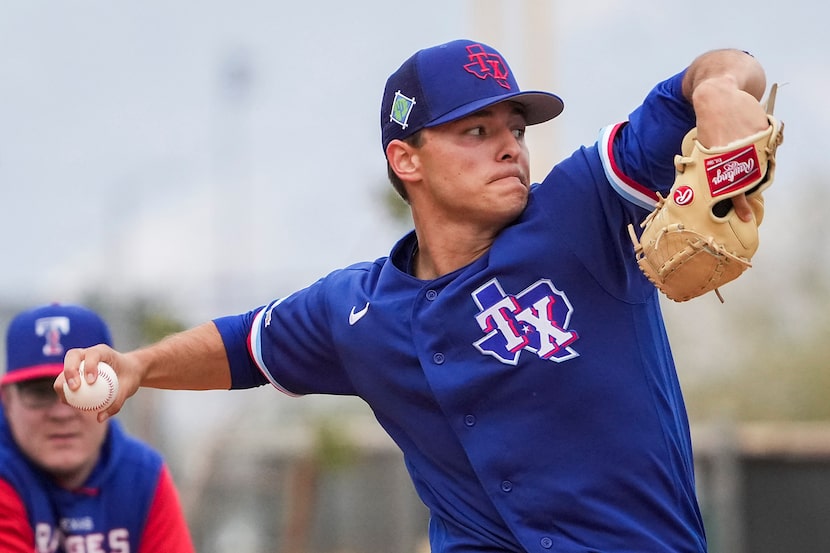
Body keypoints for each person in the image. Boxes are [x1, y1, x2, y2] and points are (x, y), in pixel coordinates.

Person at [58, 39, 774, 552]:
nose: (510, 147)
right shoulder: (359, 311)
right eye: (476, 130)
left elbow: (716, 70)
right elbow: (245, 343)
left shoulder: (581, 210)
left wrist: (716, 88)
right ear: (406, 159)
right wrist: (139, 366)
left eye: (515, 130)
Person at [0, 303, 195, 553]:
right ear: (7, 399)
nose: (62, 412)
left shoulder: (143, 475)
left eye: (82, 391)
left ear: (114, 394)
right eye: (39, 393)